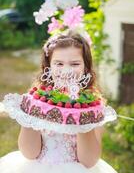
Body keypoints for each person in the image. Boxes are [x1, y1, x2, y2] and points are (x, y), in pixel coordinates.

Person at [0, 31, 117, 173]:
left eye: (74, 64)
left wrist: (83, 121)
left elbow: (89, 161)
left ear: (86, 67)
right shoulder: (38, 100)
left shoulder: (93, 106)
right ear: (48, 66)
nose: (66, 70)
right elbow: (29, 153)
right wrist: (30, 116)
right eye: (59, 63)